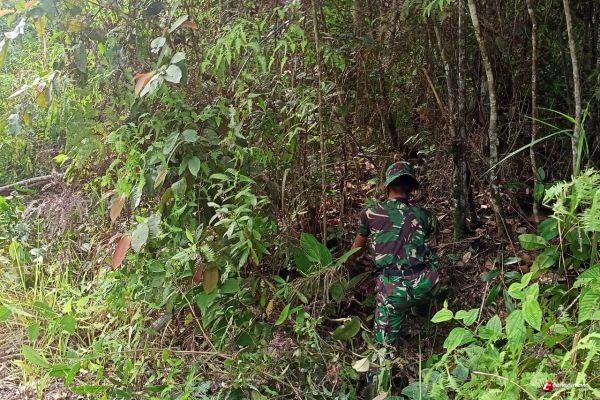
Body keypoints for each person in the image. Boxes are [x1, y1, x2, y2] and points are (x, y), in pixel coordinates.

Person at [351, 161, 440, 348]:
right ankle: (422, 313)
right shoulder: (424, 214)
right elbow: (428, 236)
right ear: (411, 188)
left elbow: (356, 250)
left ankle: (385, 354)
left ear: (388, 186)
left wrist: (345, 265)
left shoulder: (370, 213)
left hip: (393, 290)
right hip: (425, 284)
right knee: (430, 257)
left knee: (383, 349)